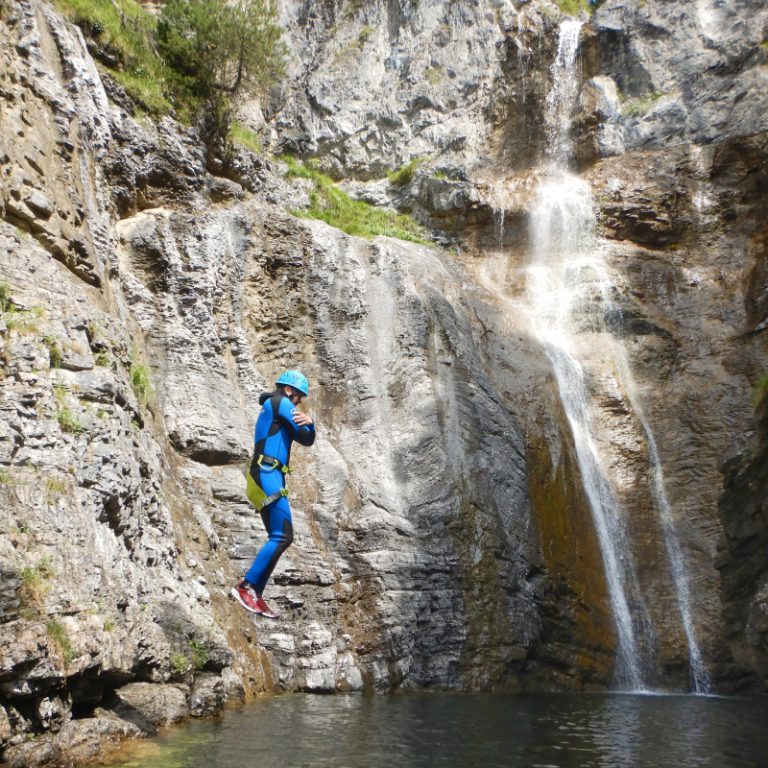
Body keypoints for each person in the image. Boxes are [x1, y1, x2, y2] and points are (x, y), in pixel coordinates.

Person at [231, 370, 315, 619]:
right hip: (266, 473)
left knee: (281, 536)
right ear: (289, 390)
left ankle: (254, 592)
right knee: (282, 535)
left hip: (269, 475)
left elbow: (306, 438)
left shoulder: (277, 406)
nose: (298, 403)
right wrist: (310, 422)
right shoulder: (280, 402)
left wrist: (310, 424)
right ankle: (246, 587)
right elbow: (307, 436)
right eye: (298, 397)